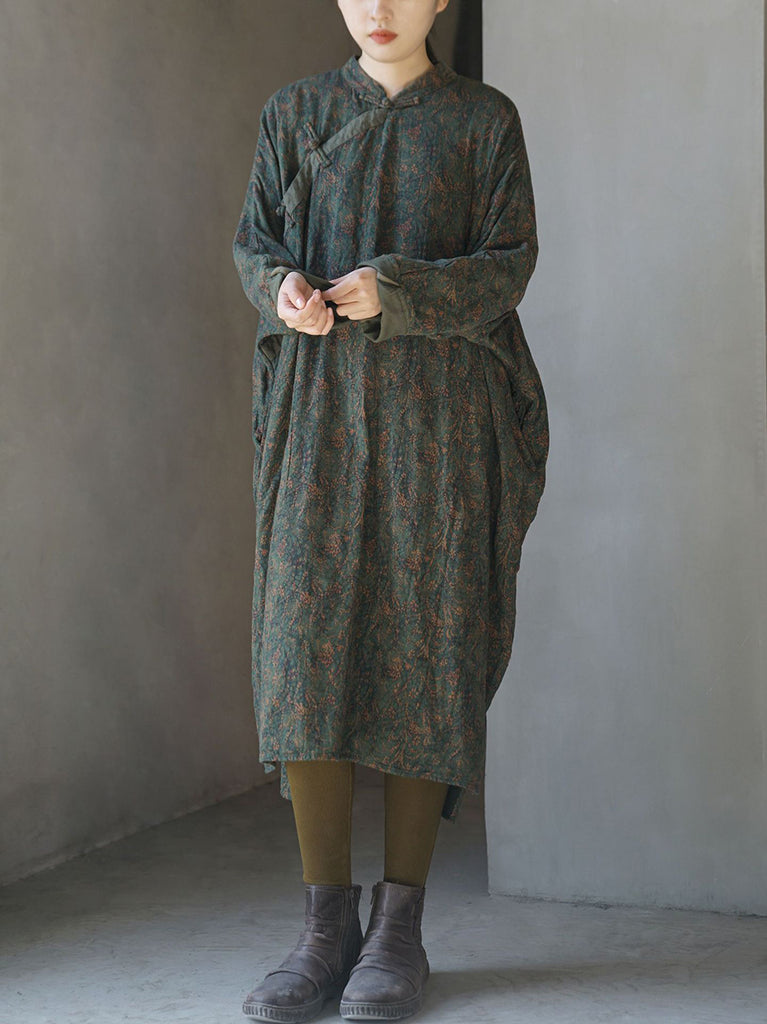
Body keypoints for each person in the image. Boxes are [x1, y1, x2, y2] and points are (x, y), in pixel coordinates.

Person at [232, 1, 548, 1020]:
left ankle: (397, 928)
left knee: (428, 647)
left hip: (440, 422)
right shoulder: (294, 113)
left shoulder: (482, 122)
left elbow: (508, 263)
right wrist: (281, 288)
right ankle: (323, 930)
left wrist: (399, 292)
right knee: (303, 654)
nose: (378, 8)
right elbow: (253, 242)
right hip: (318, 416)